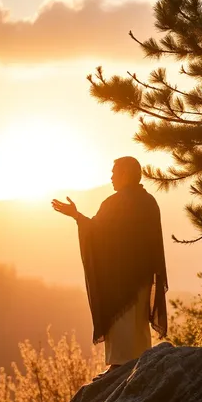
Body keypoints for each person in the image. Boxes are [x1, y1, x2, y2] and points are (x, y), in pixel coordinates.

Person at [52, 156, 168, 379]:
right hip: (142, 278)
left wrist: (76, 216)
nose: (111, 177)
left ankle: (118, 367)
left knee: (122, 323)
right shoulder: (149, 202)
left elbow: (96, 232)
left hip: (119, 281)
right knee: (137, 325)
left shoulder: (115, 203)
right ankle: (139, 365)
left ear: (125, 174)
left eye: (114, 172)